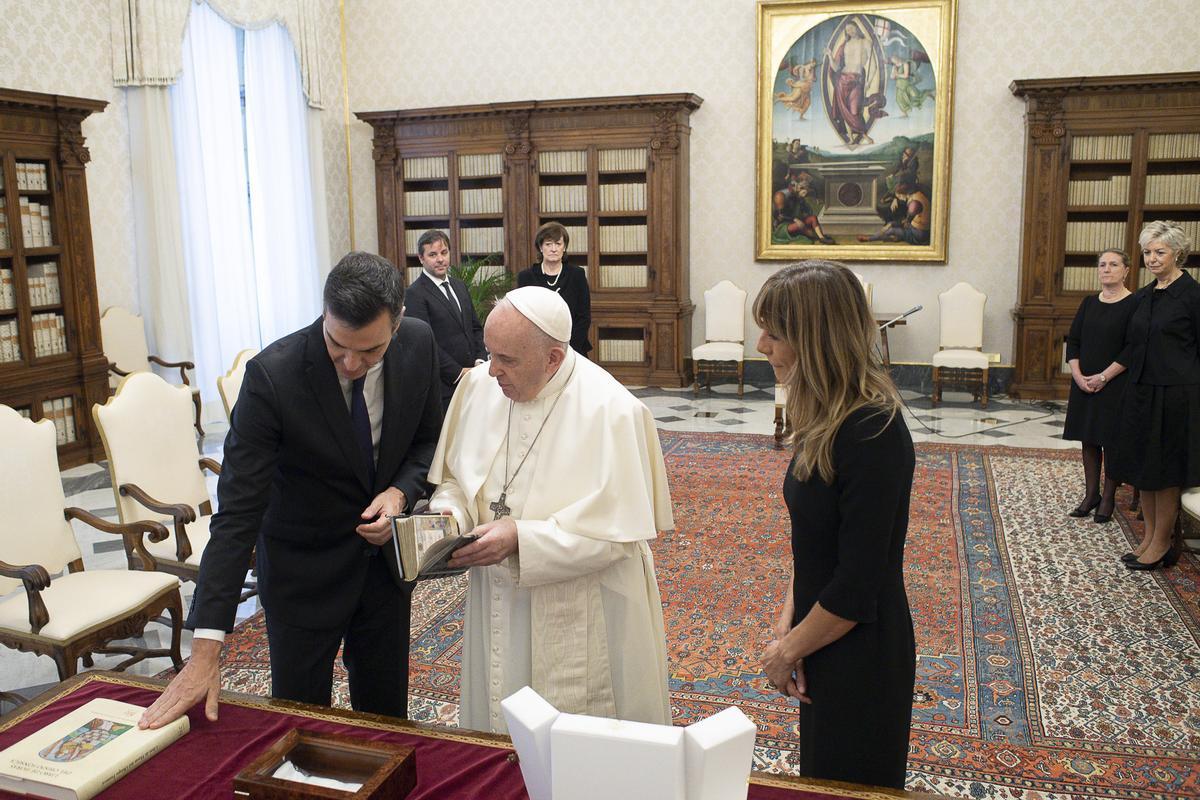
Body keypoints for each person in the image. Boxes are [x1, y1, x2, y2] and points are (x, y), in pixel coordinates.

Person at [140, 252, 443, 730]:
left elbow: (429, 440)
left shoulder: (420, 344)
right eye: (337, 344)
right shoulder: (273, 378)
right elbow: (238, 513)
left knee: (386, 724)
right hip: (302, 575)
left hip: (384, 575)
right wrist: (205, 646)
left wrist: (400, 493)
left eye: (369, 351)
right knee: (298, 728)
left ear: (397, 324)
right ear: (324, 315)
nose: (351, 363)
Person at [427, 286, 672, 733]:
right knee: (495, 728)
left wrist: (521, 538)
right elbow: (456, 481)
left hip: (580, 607)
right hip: (497, 595)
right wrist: (450, 518)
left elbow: (617, 540)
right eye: (490, 353)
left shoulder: (613, 411)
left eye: (508, 360)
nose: (492, 370)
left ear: (554, 358)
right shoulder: (480, 387)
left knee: (576, 743)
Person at [755, 261, 916, 788]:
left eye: (774, 334)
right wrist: (793, 614)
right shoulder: (826, 415)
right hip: (823, 633)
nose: (761, 346)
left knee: (850, 782)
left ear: (815, 339)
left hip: (860, 650)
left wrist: (787, 651)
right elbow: (816, 543)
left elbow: (857, 583)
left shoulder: (871, 429)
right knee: (822, 777)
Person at [1103, 221, 1199, 570]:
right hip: (1142, 391)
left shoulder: (1192, 294)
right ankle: (1147, 538)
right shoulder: (1145, 294)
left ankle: (1161, 542)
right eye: (1147, 252)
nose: (1153, 258)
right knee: (1145, 468)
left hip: (1176, 395)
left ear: (1178, 253)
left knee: (1166, 471)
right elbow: (1132, 345)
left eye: (1160, 252)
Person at [1062, 249, 1137, 523]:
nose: (1106, 269)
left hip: (1116, 383)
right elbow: (1074, 341)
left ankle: (1107, 499)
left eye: (1114, 264)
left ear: (1126, 270)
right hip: (1084, 383)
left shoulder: (1135, 303)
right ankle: (1090, 494)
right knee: (1089, 438)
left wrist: (1104, 376)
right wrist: (1079, 376)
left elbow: (1132, 348)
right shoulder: (1089, 302)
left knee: (1111, 441)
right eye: (1102, 264)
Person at [403, 229, 487, 410]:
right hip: (445, 387)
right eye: (432, 254)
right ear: (421, 258)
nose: (440, 259)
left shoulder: (460, 286)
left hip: (475, 379)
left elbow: (475, 328)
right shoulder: (414, 294)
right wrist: (458, 372)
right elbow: (425, 343)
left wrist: (480, 361)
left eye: (444, 253)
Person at [517, 221, 592, 357]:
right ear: (540, 247)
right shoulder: (526, 277)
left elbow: (583, 317)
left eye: (558, 244)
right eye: (548, 244)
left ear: (564, 248)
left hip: (573, 349)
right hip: (536, 350)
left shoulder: (577, 275)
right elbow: (523, 318)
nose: (553, 249)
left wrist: (568, 350)